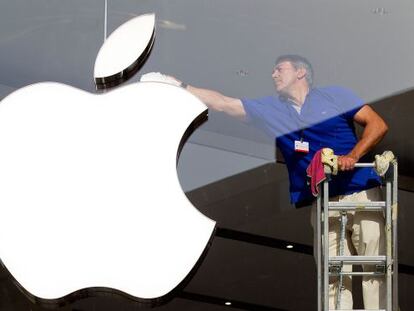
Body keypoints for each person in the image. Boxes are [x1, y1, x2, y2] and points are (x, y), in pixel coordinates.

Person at [148, 54, 389, 309]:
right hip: (323, 201)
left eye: (279, 69)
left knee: (375, 266)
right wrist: (180, 86)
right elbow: (223, 104)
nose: (273, 75)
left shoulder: (335, 96)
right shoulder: (273, 109)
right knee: (332, 278)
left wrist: (352, 156)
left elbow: (377, 124)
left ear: (301, 73)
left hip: (360, 191)